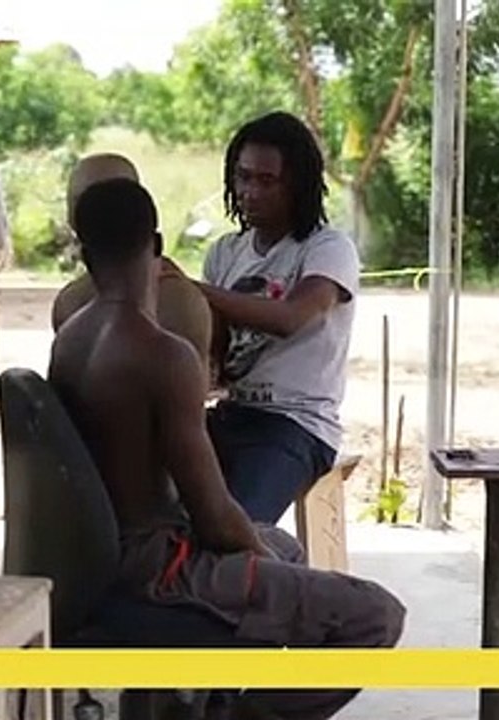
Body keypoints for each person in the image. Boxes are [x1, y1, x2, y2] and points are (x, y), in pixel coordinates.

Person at [49, 177, 403, 720]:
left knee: (284, 546)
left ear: (81, 250)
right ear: (159, 245)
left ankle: (196, 700)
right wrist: (254, 556)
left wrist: (264, 555)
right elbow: (214, 518)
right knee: (373, 615)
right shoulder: (164, 356)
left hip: (100, 559)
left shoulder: (71, 337)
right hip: (157, 570)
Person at [161, 111, 360, 524]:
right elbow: (211, 339)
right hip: (232, 414)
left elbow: (290, 317)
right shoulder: (225, 252)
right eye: (243, 177)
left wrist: (191, 289)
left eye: (266, 181)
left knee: (237, 527)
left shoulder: (327, 248)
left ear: (298, 185)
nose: (250, 191)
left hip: (296, 424)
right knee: (158, 505)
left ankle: (251, 580)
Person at [51, 153, 214, 378]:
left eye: (113, 200)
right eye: (83, 202)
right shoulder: (69, 303)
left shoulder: (182, 304)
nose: (98, 212)